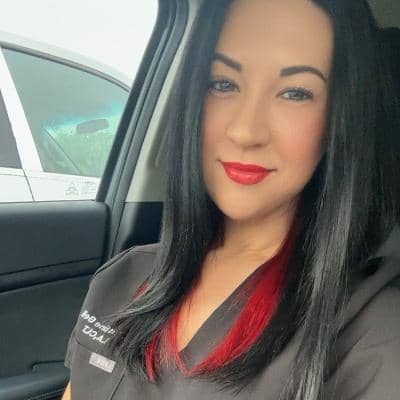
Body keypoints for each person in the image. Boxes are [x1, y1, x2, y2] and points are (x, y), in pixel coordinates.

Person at [62, 0, 400, 399]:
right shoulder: (122, 278)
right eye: (223, 84)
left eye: (295, 93)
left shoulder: (373, 333)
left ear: (338, 120)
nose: (245, 130)